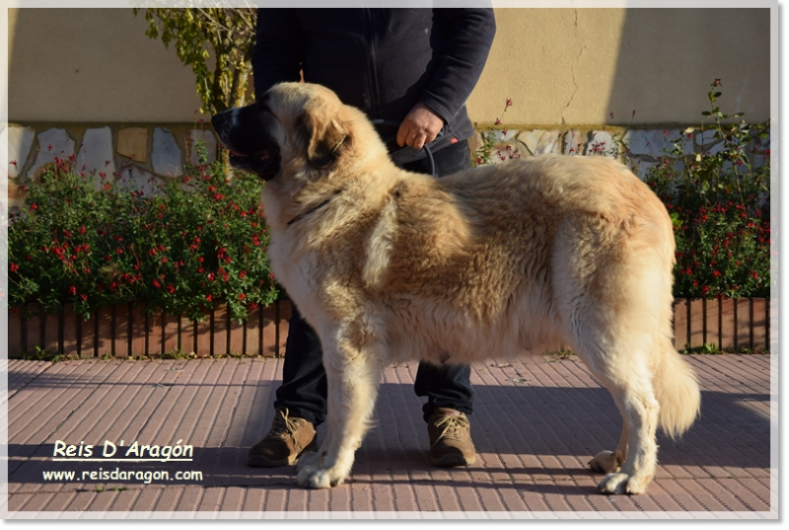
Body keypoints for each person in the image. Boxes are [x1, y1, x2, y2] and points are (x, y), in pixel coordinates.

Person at [246, 7, 496, 469]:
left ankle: (448, 413)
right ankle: (297, 416)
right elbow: (275, 51)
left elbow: (475, 22)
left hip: (431, 140)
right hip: (335, 150)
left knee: (441, 282)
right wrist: (280, 128)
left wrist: (437, 105)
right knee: (319, 282)